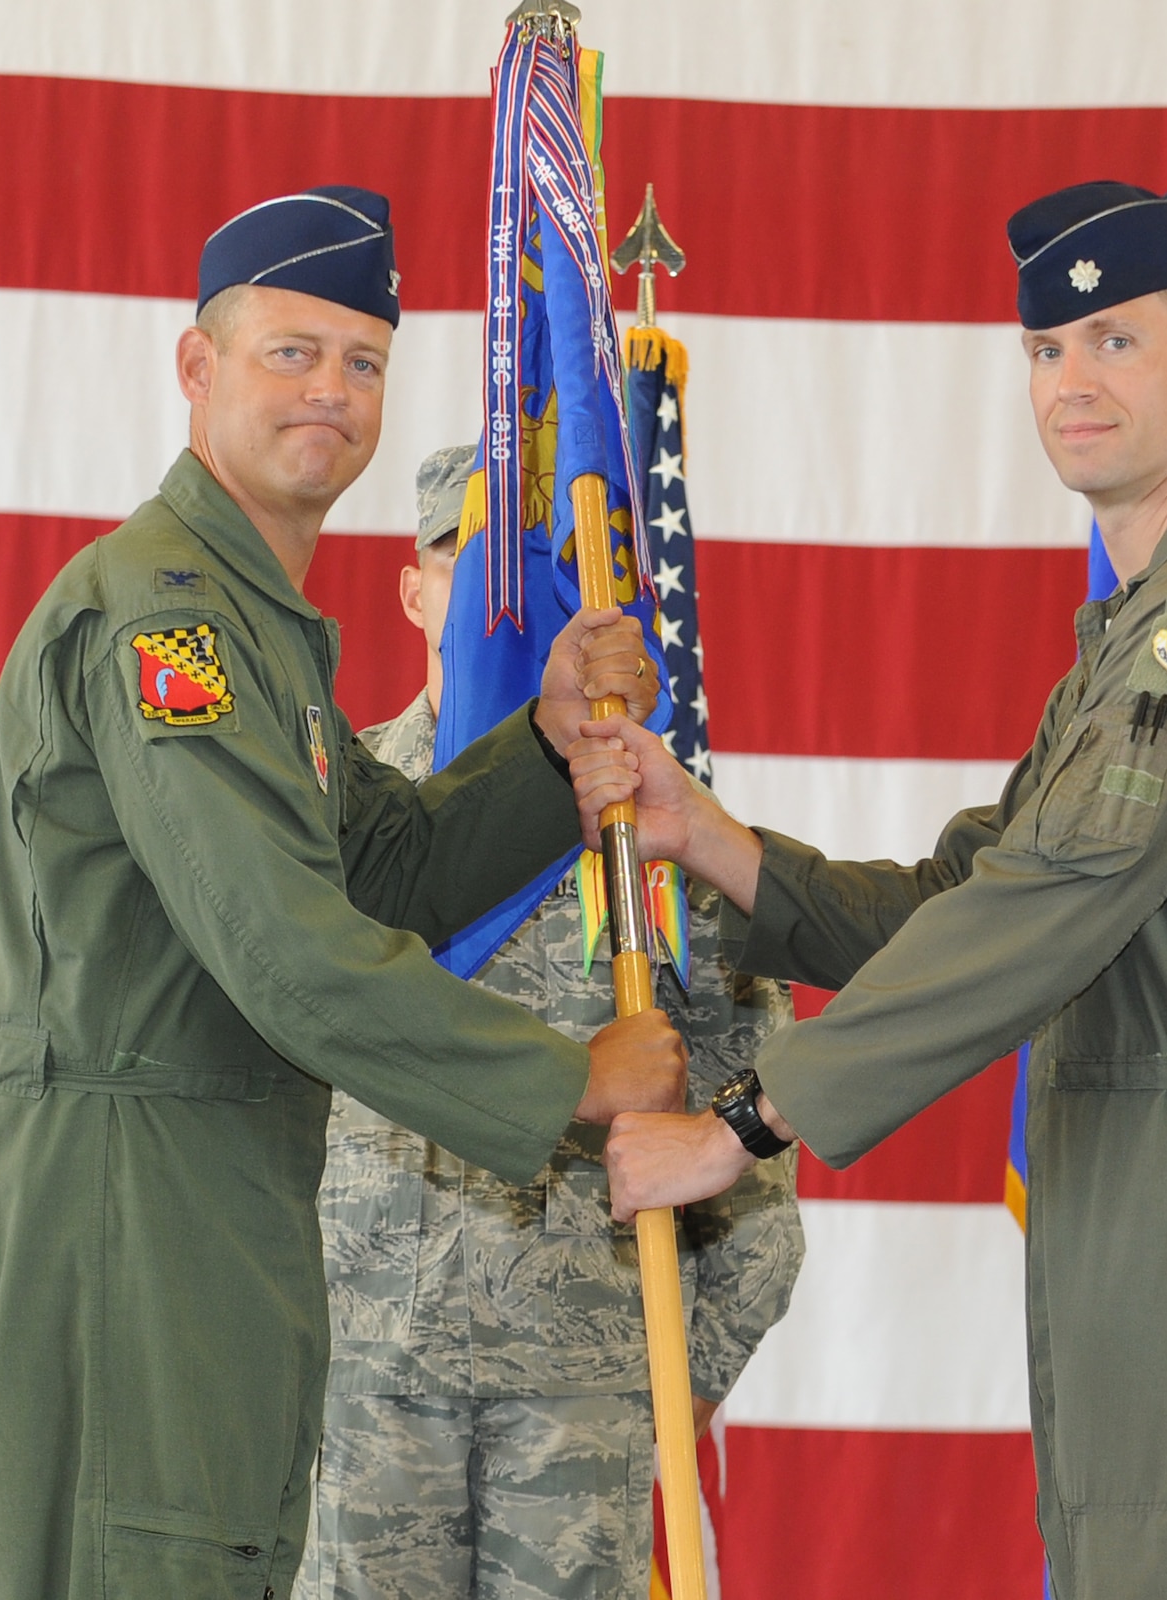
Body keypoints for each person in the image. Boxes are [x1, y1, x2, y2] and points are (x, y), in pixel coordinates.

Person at [586, 181, 1167, 1600]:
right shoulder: (1139, 628)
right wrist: (710, 840)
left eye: (1114, 341)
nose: (1072, 383)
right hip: (1145, 1183)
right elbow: (964, 896)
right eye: (1045, 350)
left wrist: (745, 1125)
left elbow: (1053, 899)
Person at [0, 187, 688, 1600]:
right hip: (126, 1202)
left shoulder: (257, 626)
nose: (330, 392)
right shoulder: (169, 620)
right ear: (197, 367)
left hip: (210, 1198)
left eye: (364, 362)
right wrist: (567, 1079)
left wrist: (546, 746)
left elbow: (380, 866)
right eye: (290, 352)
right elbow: (283, 947)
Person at [291, 443, 804, 1600]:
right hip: (361, 1385)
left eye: (538, 572)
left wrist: (664, 1384)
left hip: (584, 1398)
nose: (498, 599)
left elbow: (756, 1123)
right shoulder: (329, 814)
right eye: (467, 561)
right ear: (415, 588)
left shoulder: (652, 828)